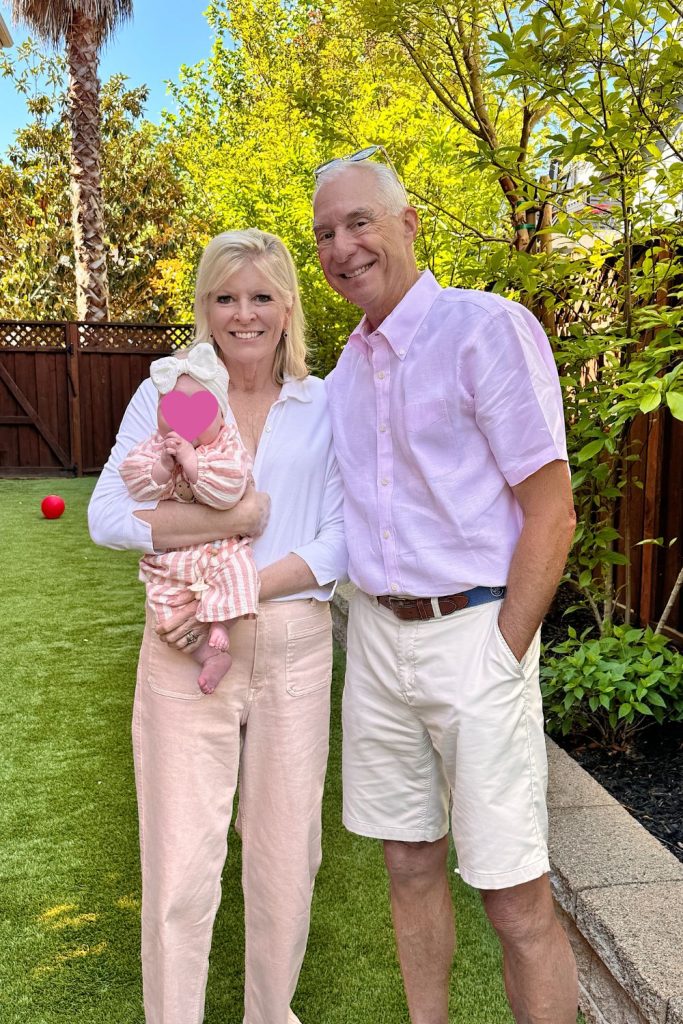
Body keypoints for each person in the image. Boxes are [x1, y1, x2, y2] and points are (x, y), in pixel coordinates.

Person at [313, 151, 579, 1024]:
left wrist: (503, 652)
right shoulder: (344, 373)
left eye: (358, 222)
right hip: (376, 641)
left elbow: (551, 512)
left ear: (407, 222)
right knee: (407, 864)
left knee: (513, 894)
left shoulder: (484, 329)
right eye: (324, 233)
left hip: (474, 635)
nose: (342, 246)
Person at [88, 228, 347, 1024]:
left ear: (287, 306)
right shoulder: (170, 391)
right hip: (183, 652)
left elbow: (338, 537)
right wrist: (232, 520)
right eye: (225, 297)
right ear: (204, 307)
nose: (243, 314)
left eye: (261, 296)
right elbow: (108, 515)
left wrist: (228, 591)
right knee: (178, 865)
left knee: (286, 859)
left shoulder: (323, 403)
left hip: (292, 646)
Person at [119, 342, 259, 694]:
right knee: (163, 606)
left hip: (221, 550)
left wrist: (193, 465)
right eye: (171, 406)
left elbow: (229, 491)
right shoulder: (154, 446)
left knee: (240, 574)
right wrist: (162, 467)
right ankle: (209, 655)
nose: (184, 420)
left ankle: (223, 622)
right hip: (173, 559)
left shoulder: (227, 445)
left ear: (222, 416)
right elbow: (134, 481)